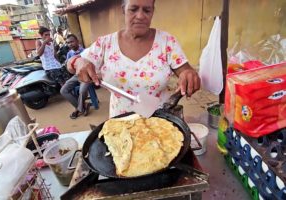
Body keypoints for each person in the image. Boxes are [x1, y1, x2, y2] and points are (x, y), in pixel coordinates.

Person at [70, 0, 200, 118]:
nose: (140, 16)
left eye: (147, 10)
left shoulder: (166, 41)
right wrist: (77, 61)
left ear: (152, 12)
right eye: (133, 9)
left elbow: (185, 70)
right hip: (120, 123)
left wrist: (188, 75)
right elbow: (70, 65)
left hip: (161, 121)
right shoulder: (105, 44)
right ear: (123, 10)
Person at [60, 34, 91, 119]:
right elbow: (69, 68)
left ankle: (78, 109)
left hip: (86, 76)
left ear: (77, 41)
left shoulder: (86, 51)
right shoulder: (69, 54)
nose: (70, 44)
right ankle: (83, 106)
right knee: (63, 90)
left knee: (82, 91)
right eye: (68, 43)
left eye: (72, 41)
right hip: (76, 75)